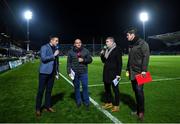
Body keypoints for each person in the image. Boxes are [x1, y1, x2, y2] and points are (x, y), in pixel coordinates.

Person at [126, 27, 150, 120]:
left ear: (133, 35)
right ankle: (138, 109)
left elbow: (146, 57)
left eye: (127, 35)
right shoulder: (131, 44)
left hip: (141, 72)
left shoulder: (143, 43)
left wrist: (144, 70)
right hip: (132, 72)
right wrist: (127, 68)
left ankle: (141, 112)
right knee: (135, 91)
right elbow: (130, 58)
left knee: (139, 91)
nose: (126, 37)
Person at [35, 35, 60, 116]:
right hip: (44, 73)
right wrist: (54, 55)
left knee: (49, 91)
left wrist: (57, 72)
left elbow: (56, 62)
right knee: (41, 91)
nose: (57, 42)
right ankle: (38, 109)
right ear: (51, 40)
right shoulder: (44, 47)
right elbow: (43, 58)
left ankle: (47, 106)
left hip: (52, 73)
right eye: (56, 40)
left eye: (57, 41)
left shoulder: (56, 49)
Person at [67, 39, 92, 109]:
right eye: (77, 43)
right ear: (74, 44)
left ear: (81, 43)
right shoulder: (70, 52)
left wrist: (83, 60)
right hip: (74, 73)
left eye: (80, 42)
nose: (78, 44)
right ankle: (78, 102)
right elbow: (68, 63)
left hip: (83, 72)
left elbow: (90, 60)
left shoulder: (85, 50)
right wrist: (69, 72)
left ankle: (86, 102)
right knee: (76, 88)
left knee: (85, 87)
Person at [100, 37, 122, 112]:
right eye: (106, 42)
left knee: (115, 90)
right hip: (106, 72)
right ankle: (109, 102)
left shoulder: (117, 49)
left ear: (112, 42)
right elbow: (104, 61)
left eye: (107, 41)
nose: (106, 43)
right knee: (107, 89)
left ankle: (116, 105)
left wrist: (118, 74)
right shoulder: (106, 50)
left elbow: (119, 63)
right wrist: (102, 54)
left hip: (114, 73)